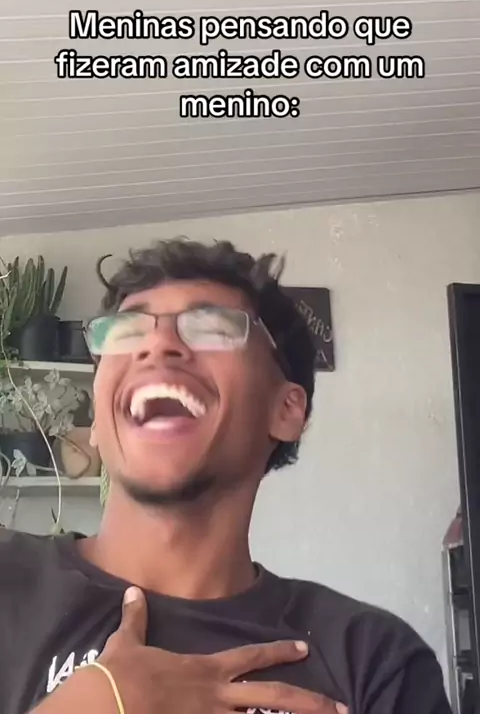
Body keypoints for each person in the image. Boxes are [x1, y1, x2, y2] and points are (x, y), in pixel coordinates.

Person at [0, 239, 452, 714]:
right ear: (96, 417)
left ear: (286, 410)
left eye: (211, 327)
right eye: (126, 331)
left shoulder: (373, 659)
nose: (158, 344)